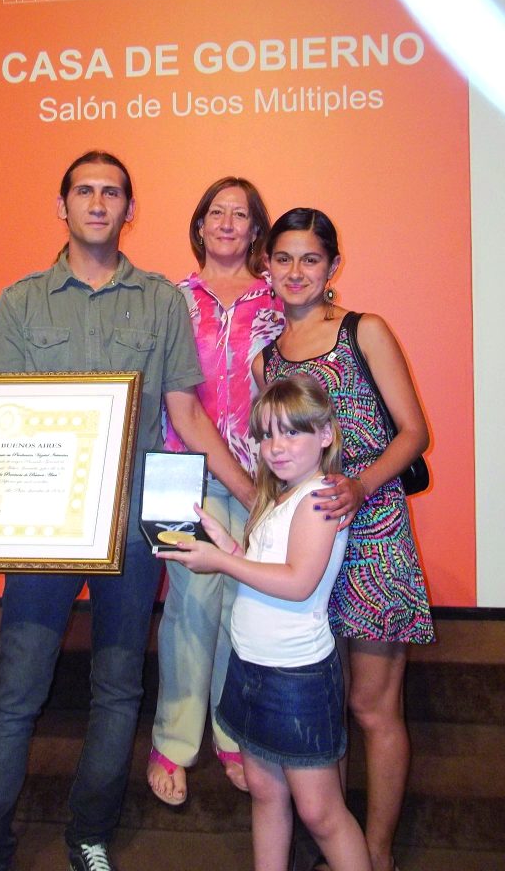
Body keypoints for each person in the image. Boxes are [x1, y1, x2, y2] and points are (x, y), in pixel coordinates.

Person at [0, 151, 256, 871]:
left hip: (133, 523)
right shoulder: (20, 302)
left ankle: (89, 836)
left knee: (119, 688)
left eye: (112, 193)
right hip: (41, 528)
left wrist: (254, 495)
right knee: (16, 690)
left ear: (130, 210)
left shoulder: (160, 301)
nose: (98, 202)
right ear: (62, 206)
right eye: (85, 191)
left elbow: (184, 411)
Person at [253, 208, 434, 871]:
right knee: (320, 695)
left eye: (310, 259)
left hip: (374, 537)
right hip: (306, 550)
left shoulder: (366, 332)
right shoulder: (265, 359)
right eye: (283, 258)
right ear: (266, 266)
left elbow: (413, 431)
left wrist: (359, 486)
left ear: (332, 267)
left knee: (371, 703)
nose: (296, 271)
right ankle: (336, 834)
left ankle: (376, 854)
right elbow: (275, 464)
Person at [160, 376, 372, 871]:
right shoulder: (279, 497)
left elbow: (298, 582)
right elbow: (265, 569)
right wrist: (226, 546)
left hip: (296, 677)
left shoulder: (320, 498)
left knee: (321, 813)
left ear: (325, 435)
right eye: (266, 435)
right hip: (251, 666)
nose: (276, 448)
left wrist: (222, 562)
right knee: (265, 793)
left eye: (292, 433)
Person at [147, 176, 284, 806]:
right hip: (181, 474)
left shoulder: (279, 300)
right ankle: (174, 741)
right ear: (199, 225)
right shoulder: (169, 300)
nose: (228, 223)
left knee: (242, 607)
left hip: (266, 476)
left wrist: (270, 486)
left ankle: (233, 736)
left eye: (242, 214)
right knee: (187, 607)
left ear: (257, 230)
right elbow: (172, 404)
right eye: (216, 213)